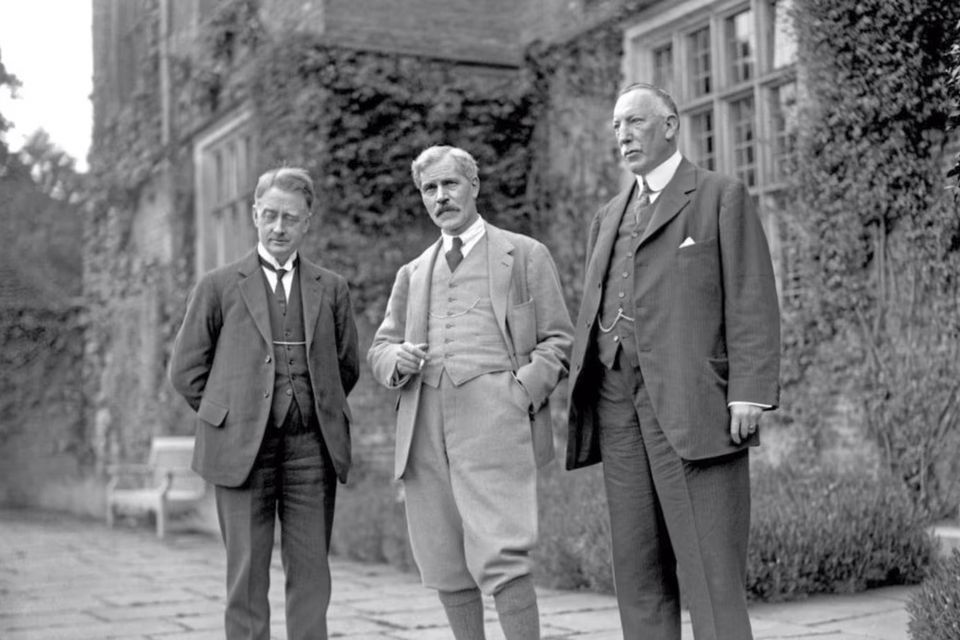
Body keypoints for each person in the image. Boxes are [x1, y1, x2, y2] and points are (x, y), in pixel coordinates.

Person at [565, 83, 781, 639]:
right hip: (616, 401)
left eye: (635, 122)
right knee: (637, 568)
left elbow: (751, 294)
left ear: (670, 125)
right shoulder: (608, 215)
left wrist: (748, 391)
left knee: (711, 572)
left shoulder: (718, 196)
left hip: (693, 403)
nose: (623, 135)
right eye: (616, 126)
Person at [368, 145, 574, 640]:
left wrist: (521, 393)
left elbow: (559, 341)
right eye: (429, 189)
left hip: (496, 421)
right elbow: (380, 346)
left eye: (449, 184)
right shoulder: (413, 272)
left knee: (503, 551)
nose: (441, 197)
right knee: (443, 555)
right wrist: (397, 361)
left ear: (474, 186)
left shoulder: (523, 254)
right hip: (425, 426)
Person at [168, 167, 359, 640]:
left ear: (306, 222)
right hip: (241, 453)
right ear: (255, 214)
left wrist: (317, 409)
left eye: (290, 218)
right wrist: (229, 419)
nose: (278, 227)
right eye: (270, 215)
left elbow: (346, 366)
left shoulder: (330, 288)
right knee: (247, 578)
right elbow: (186, 370)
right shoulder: (217, 286)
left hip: (310, 450)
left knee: (312, 574)